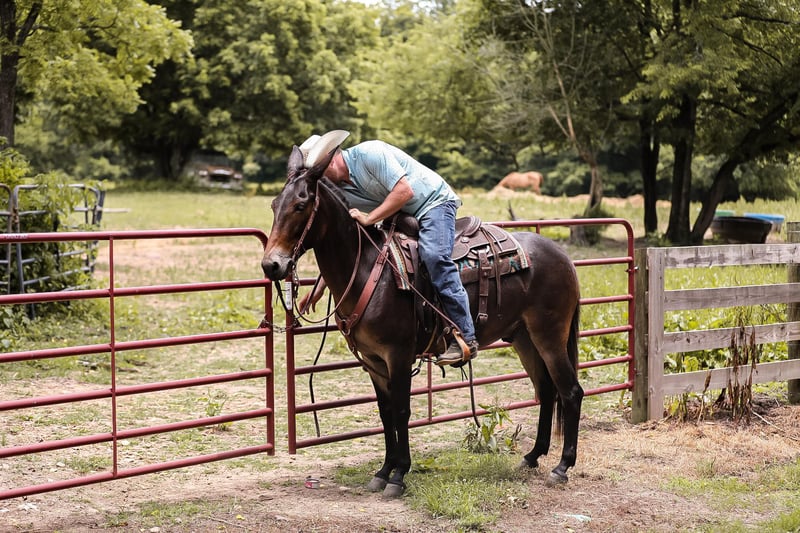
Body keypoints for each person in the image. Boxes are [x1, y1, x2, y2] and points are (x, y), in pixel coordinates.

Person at [297, 130, 478, 366]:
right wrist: (320, 287)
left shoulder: (370, 153)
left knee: (434, 256)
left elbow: (404, 191)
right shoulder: (339, 190)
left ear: (329, 161)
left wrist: (370, 218)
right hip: (399, 213)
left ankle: (466, 336)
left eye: (318, 173)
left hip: (433, 203)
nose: (319, 180)